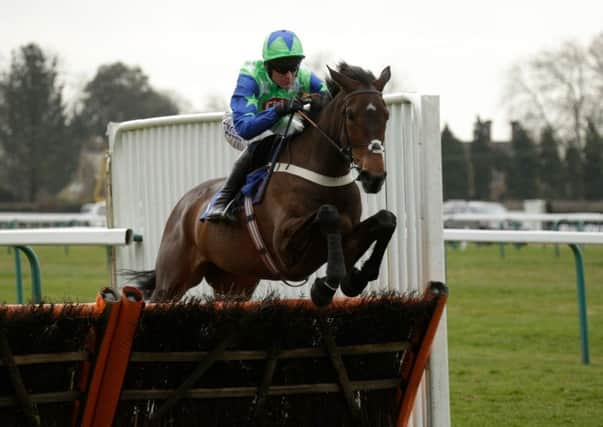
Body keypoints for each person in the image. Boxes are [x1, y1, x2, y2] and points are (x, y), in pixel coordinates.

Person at [205, 29, 330, 222]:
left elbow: (329, 95)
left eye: (293, 67)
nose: (289, 76)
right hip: (239, 124)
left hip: (276, 119)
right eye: (282, 69)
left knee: (298, 130)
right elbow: (246, 130)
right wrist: (279, 110)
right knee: (263, 138)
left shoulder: (303, 76)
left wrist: (320, 101)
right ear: (268, 66)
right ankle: (221, 200)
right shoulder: (251, 76)